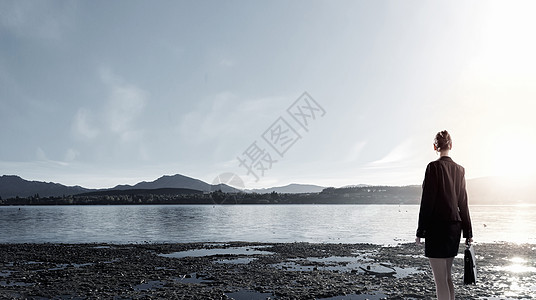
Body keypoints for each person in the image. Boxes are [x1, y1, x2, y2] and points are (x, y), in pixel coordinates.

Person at [415, 130, 473, 300]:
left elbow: (427, 202)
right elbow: (463, 203)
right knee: (447, 278)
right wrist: (468, 233)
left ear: (435, 147)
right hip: (454, 228)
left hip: (437, 228)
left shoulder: (433, 167)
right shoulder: (460, 170)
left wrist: (420, 231)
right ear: (451, 145)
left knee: (440, 281)